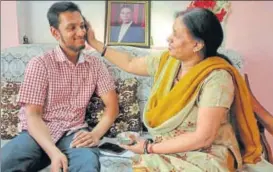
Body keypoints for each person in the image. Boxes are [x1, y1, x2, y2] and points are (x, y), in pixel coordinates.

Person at [85, 8, 263, 171]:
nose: (169, 38)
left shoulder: (216, 78)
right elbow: (130, 63)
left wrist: (149, 148)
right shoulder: (168, 62)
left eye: (176, 34)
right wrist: (94, 42)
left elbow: (204, 137)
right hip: (168, 148)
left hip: (206, 154)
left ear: (197, 45)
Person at [1, 2, 119, 172]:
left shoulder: (95, 64)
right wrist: (54, 153)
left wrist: (95, 134)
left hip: (74, 132)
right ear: (55, 33)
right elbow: (33, 116)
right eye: (72, 28)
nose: (81, 32)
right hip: (38, 133)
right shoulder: (40, 64)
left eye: (82, 26)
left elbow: (112, 107)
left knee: (88, 165)